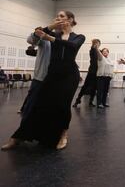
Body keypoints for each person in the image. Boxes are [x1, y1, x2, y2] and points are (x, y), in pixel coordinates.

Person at [1, 11, 85, 150]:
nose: (58, 18)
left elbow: (72, 46)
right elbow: (33, 39)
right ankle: (18, 137)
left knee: (63, 106)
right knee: (36, 106)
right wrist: (49, 28)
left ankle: (63, 135)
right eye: (56, 16)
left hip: (69, 76)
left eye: (62, 16)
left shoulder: (78, 37)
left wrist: (49, 38)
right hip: (50, 75)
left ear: (70, 20)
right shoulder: (52, 33)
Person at [19, 29, 51, 115]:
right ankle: (24, 109)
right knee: (32, 93)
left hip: (47, 73)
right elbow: (29, 51)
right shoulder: (40, 42)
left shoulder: (48, 43)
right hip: (39, 75)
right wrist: (33, 46)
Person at [73, 39, 100, 107]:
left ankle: (91, 101)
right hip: (91, 72)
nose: (97, 44)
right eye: (95, 43)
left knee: (94, 87)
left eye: (98, 43)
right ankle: (78, 99)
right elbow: (93, 50)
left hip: (97, 72)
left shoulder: (99, 52)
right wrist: (94, 46)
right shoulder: (92, 50)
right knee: (85, 86)